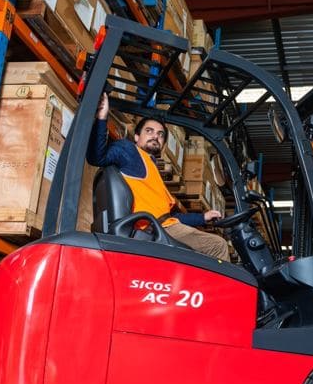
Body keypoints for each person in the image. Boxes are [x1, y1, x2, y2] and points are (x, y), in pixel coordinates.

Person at [88, 93, 230, 261]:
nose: (155, 136)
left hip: (163, 225)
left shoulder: (151, 167)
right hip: (154, 229)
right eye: (149, 131)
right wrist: (102, 117)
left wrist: (203, 217)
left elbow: (169, 217)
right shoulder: (130, 152)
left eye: (160, 134)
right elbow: (97, 158)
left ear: (163, 144)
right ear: (136, 137)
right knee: (218, 246)